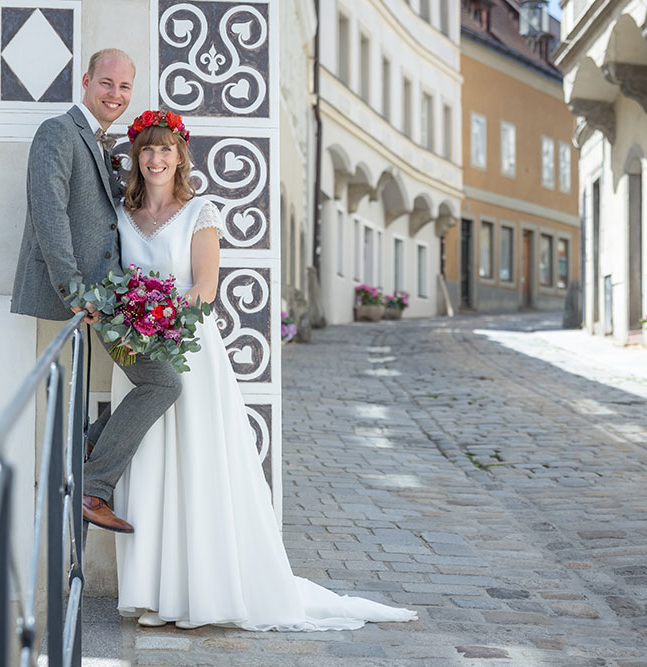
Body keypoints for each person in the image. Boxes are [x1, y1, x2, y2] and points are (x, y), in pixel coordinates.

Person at [110, 110, 418, 631]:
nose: (155, 158)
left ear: (180, 157)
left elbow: (205, 288)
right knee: (150, 465)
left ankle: (197, 594)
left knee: (194, 464)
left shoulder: (199, 212)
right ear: (136, 158)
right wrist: (133, 322)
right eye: (146, 150)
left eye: (165, 150)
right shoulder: (122, 212)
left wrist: (162, 319)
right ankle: (153, 592)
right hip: (137, 354)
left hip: (188, 349)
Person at [10, 49, 182, 534]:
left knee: (161, 381)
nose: (115, 95)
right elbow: (49, 212)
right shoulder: (58, 132)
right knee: (163, 382)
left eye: (125, 88)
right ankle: (92, 486)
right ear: (86, 81)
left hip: (112, 296)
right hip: (89, 297)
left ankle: (85, 451)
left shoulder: (101, 143)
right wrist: (73, 290)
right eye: (107, 83)